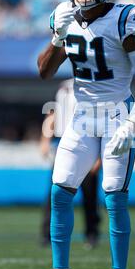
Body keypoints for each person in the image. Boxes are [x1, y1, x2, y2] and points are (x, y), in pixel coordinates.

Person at [20, 0, 135, 269]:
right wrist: (58, 37)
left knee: (113, 197)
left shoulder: (122, 20)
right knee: (60, 190)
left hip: (117, 115)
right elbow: (44, 71)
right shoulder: (64, 16)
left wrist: (133, 120)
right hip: (81, 116)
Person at [40, 79, 101, 248]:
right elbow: (52, 115)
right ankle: (48, 234)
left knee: (89, 195)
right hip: (64, 146)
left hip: (89, 145)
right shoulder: (63, 87)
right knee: (56, 192)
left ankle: (91, 233)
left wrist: (99, 157)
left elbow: (103, 119)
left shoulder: (96, 85)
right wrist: (45, 139)